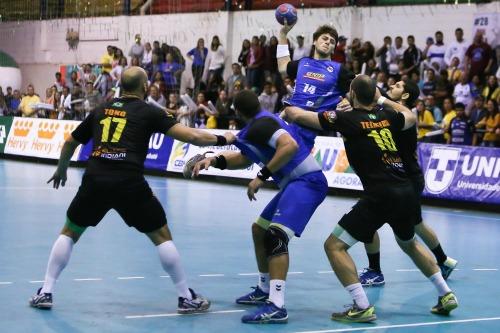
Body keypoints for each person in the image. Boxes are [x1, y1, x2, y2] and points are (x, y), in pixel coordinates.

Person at [29, 67, 234, 313]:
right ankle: (185, 297)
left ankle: (46, 291)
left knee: (70, 232)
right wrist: (227, 139)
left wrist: (62, 169)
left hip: (95, 179)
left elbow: (71, 142)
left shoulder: (101, 109)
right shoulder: (149, 112)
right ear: (144, 87)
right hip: (129, 182)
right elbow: (192, 136)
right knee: (161, 236)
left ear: (121, 86)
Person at [283, 75, 458, 323]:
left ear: (352, 93)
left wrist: (290, 101)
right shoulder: (388, 116)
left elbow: (299, 116)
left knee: (334, 246)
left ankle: (362, 306)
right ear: (374, 94)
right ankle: (446, 293)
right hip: (405, 191)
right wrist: (382, 99)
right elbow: (410, 116)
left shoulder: (345, 118)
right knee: (409, 243)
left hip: (380, 195)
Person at [190, 90, 328, 324]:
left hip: (307, 181)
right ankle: (264, 289)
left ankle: (276, 305)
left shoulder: (264, 124)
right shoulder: (255, 127)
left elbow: (290, 146)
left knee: (275, 236)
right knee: (260, 230)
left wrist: (261, 176)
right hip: (294, 184)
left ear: (237, 112)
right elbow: (244, 158)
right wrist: (212, 161)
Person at [357, 79, 457, 288]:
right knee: (415, 223)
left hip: (405, 179)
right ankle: (444, 261)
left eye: (398, 86)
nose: (391, 85)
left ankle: (375, 270)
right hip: (404, 178)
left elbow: (378, 104)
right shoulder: (393, 110)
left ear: (404, 96)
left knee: (372, 222)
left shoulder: (401, 115)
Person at [277, 22, 354, 150]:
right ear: (314, 42)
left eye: (332, 41)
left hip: (306, 131)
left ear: (334, 49)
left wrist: (351, 103)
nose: (328, 42)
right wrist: (283, 34)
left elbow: (361, 93)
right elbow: (283, 67)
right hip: (284, 122)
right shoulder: (303, 63)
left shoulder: (339, 70)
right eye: (324, 38)